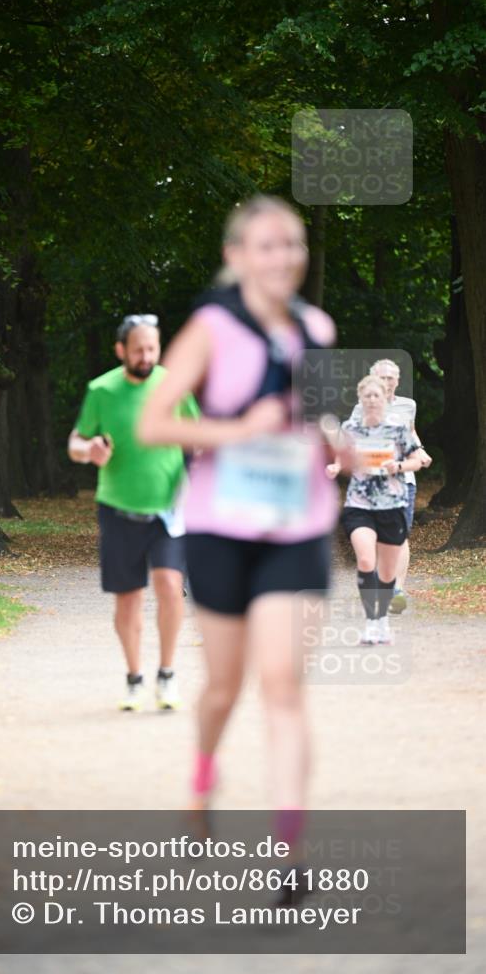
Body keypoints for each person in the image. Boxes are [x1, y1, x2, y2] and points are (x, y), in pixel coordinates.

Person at [139, 195, 340, 880]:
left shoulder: (317, 328)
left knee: (282, 684)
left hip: (298, 527)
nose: (281, 256)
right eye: (265, 244)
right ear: (235, 257)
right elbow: (154, 424)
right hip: (221, 528)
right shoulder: (209, 328)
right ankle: (201, 779)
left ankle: (290, 849)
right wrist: (235, 432)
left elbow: (313, 419)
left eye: (291, 244)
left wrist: (334, 443)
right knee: (224, 687)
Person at [68, 316, 200, 712]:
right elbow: (76, 441)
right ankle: (134, 678)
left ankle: (167, 674)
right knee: (128, 600)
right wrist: (88, 449)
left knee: (169, 584)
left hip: (168, 510)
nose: (147, 357)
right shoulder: (102, 390)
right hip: (118, 508)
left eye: (153, 349)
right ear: (121, 350)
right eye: (139, 349)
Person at [327, 374, 423, 644]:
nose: (371, 400)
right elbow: (341, 454)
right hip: (360, 503)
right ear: (361, 399)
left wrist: (400, 466)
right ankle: (372, 622)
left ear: (385, 399)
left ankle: (382, 621)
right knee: (367, 560)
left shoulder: (398, 429)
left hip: (391, 503)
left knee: (386, 571)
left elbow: (417, 459)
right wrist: (336, 466)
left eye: (376, 396)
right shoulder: (351, 426)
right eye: (366, 396)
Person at [348, 359, 432, 614]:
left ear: (398, 380)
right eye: (381, 377)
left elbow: (412, 432)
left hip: (403, 481)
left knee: (400, 535)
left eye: (391, 378)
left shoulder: (409, 405)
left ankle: (397, 590)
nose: (387, 382)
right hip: (371, 484)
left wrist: (420, 452)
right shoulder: (361, 408)